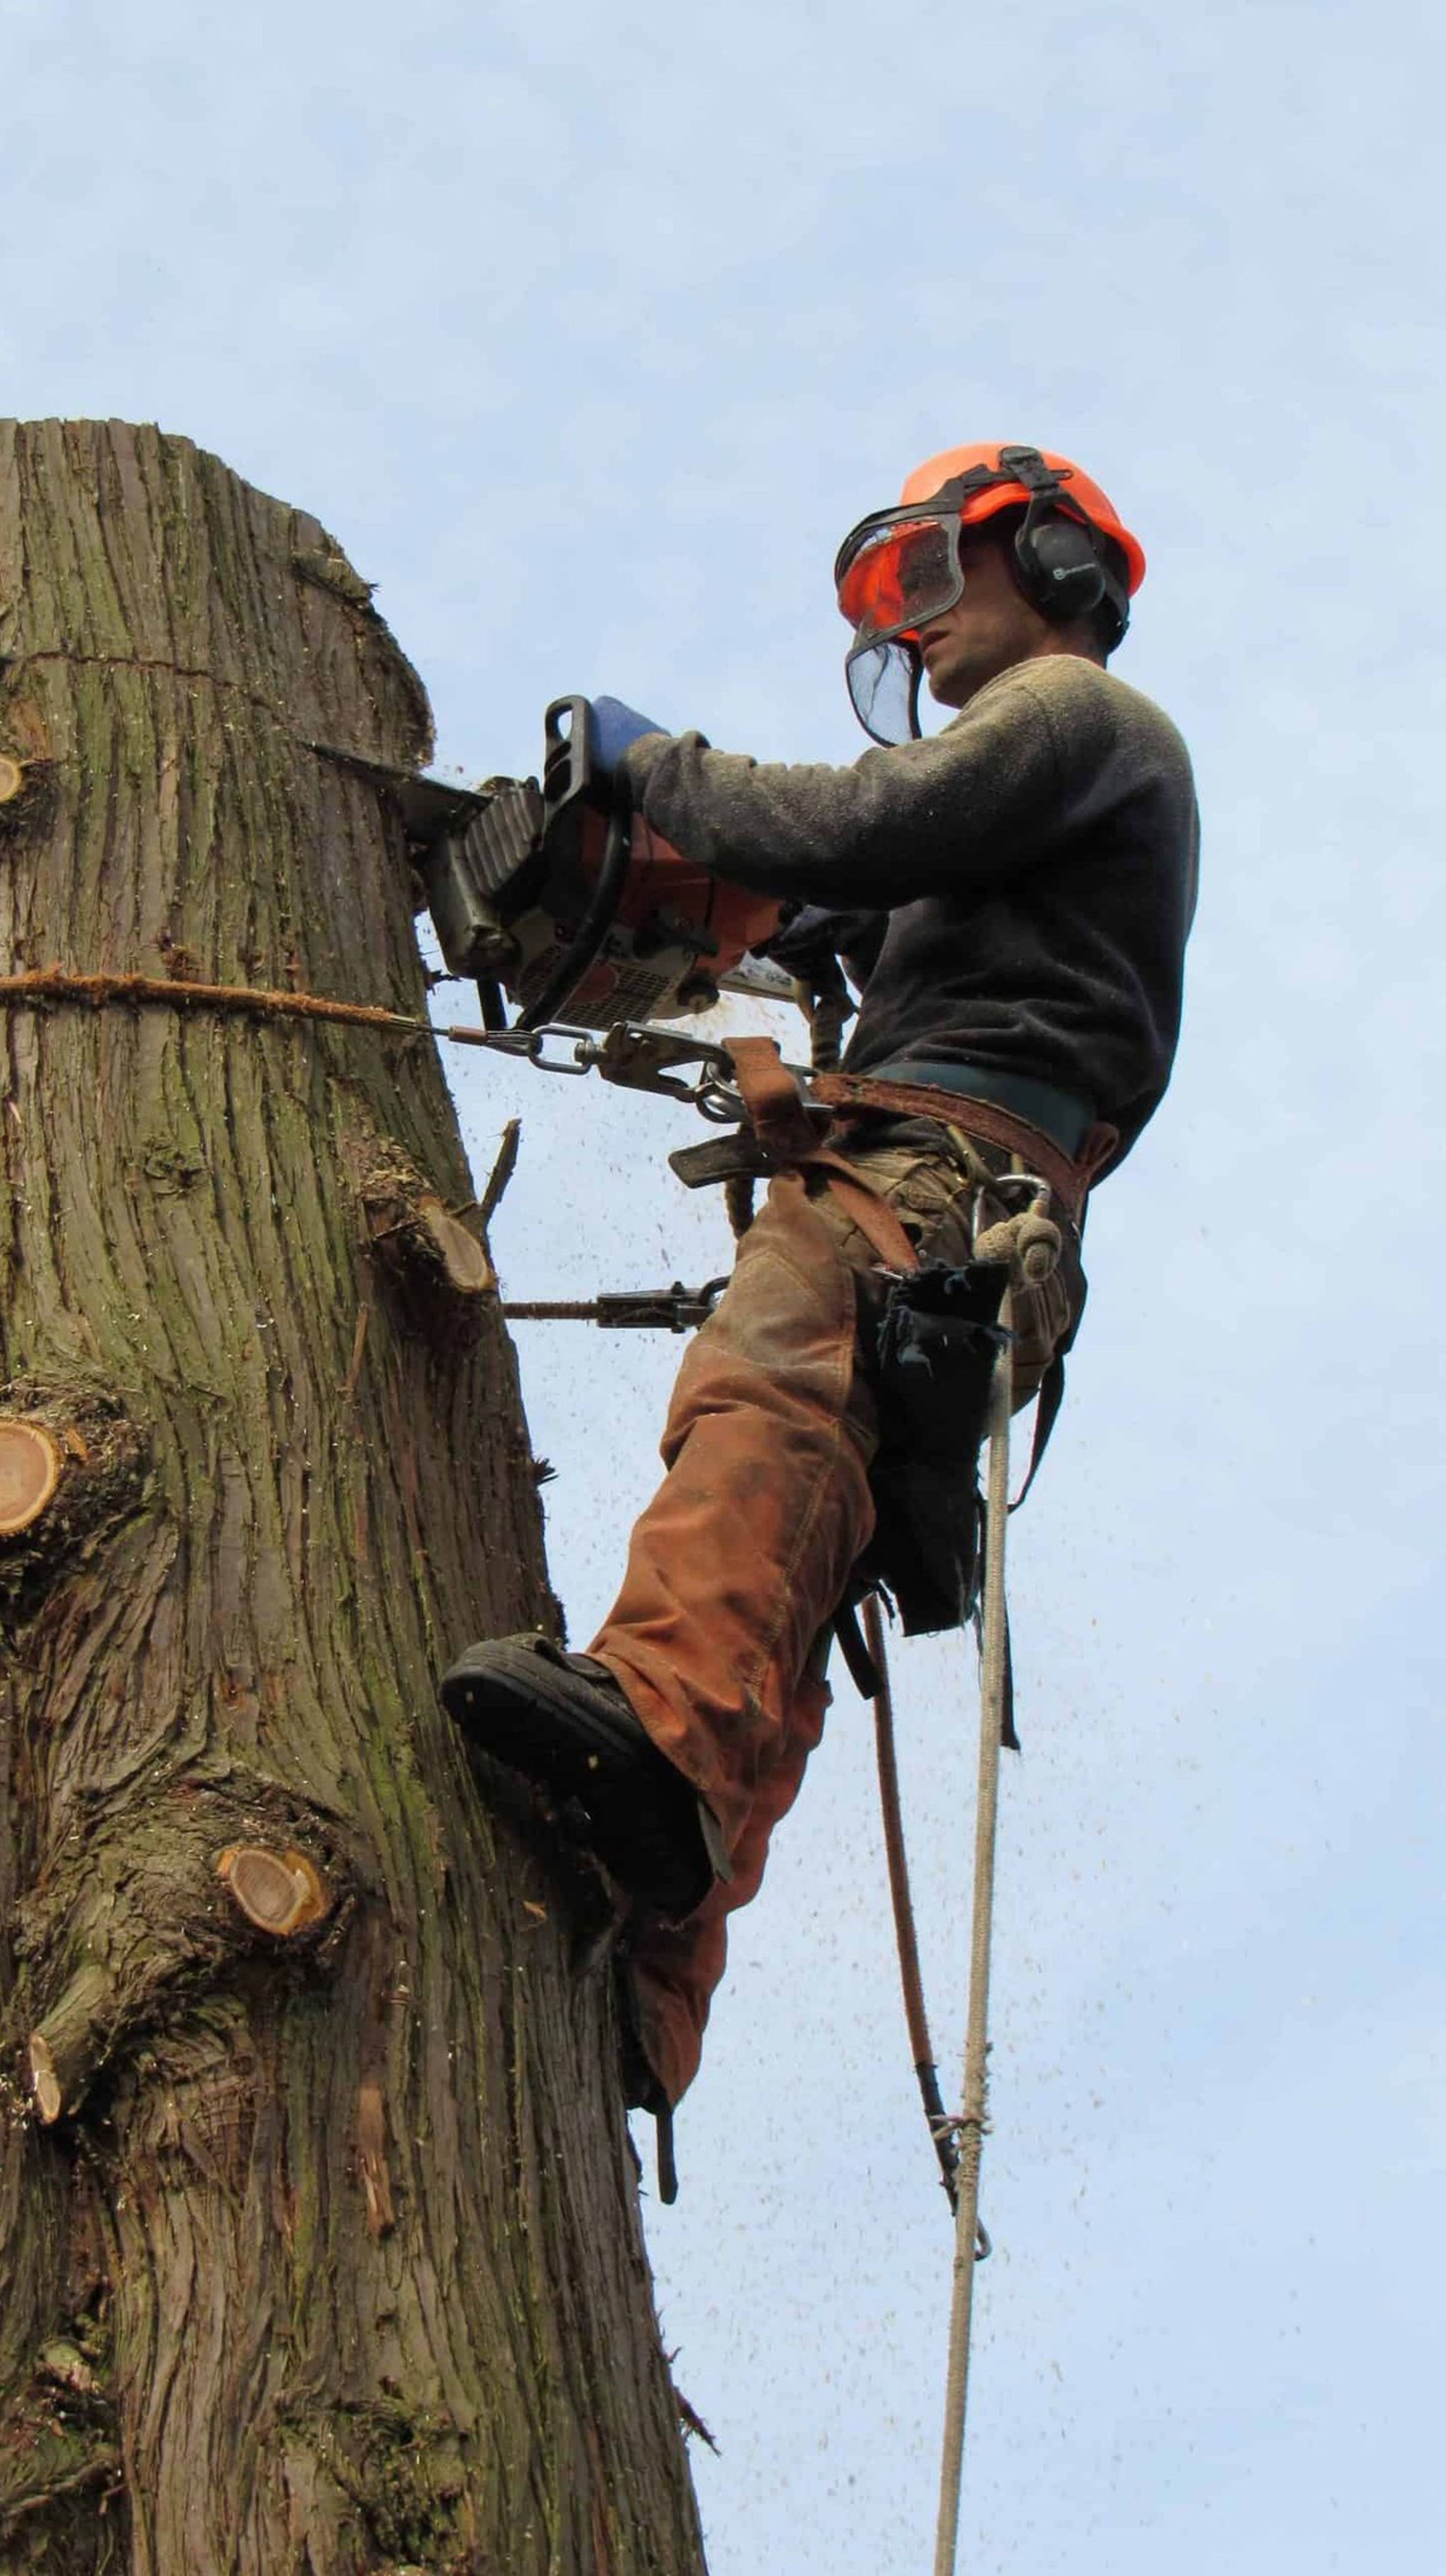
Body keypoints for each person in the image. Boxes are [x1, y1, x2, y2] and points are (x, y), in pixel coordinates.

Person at [441, 442, 1200, 2116]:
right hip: (984, 1211)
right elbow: (830, 901)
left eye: (933, 583)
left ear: (1058, 563)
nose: (916, 636)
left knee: (773, 1374)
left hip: (943, 1171)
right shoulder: (1008, 843)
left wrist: (663, 772)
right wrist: (693, 921)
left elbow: (861, 827)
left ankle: (650, 1733)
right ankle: (650, 1973)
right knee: (800, 1567)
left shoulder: (1081, 726)